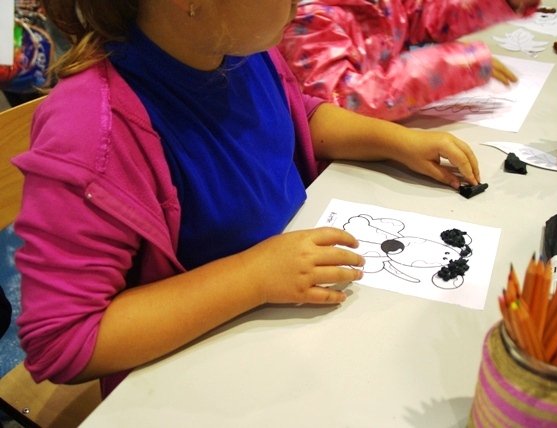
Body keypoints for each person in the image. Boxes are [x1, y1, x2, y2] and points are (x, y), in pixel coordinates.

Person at [13, 0, 480, 398]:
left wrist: (394, 141)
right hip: (203, 385)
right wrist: (253, 277)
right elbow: (64, 341)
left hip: (292, 333)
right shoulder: (90, 132)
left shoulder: (238, 48)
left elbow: (292, 118)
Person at [278, 0, 540, 121]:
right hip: (340, 166)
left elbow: (421, 14)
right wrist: (458, 65)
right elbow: (347, 103)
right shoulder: (308, 19)